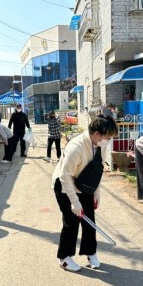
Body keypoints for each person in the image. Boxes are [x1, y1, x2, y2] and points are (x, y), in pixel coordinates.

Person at [51, 114, 118, 272]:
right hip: (65, 187)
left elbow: (97, 170)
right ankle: (64, 258)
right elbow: (65, 177)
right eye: (107, 137)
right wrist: (75, 202)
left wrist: (96, 193)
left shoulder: (100, 145)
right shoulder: (76, 147)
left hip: (85, 184)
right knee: (71, 223)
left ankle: (90, 252)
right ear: (97, 134)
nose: (109, 140)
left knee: (90, 222)